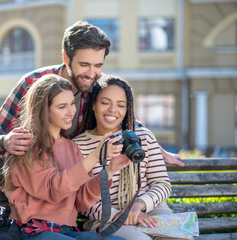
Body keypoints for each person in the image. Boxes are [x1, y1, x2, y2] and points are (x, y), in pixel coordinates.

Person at [0, 21, 183, 165]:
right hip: (34, 180)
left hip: (78, 184)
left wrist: (159, 151)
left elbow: (129, 121)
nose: (92, 74)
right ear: (66, 57)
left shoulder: (99, 87)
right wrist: (4, 141)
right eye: (84, 64)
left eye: (98, 65)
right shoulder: (32, 83)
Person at [3, 74, 130, 240]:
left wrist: (110, 170)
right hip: (34, 230)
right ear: (43, 110)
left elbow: (80, 201)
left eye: (72, 104)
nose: (71, 112)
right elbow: (54, 190)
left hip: (66, 231)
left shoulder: (72, 147)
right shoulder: (27, 145)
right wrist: (94, 157)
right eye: (62, 106)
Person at [73, 75, 182, 240]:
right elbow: (83, 201)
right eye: (105, 102)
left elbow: (162, 184)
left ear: (127, 109)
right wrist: (121, 215)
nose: (113, 110)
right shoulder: (78, 146)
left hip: (150, 209)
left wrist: (140, 204)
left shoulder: (143, 137)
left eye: (121, 105)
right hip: (108, 218)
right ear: (94, 104)